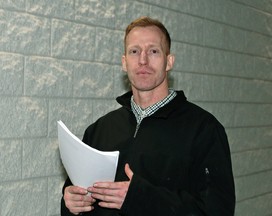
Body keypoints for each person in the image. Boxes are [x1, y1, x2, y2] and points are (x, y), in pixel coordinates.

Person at [61, 16, 235, 216]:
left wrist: (141, 199)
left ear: (169, 61)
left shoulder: (204, 130)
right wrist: (70, 204)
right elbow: (75, 196)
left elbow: (217, 211)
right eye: (134, 51)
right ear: (124, 62)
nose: (143, 60)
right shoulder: (100, 130)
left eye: (153, 51)